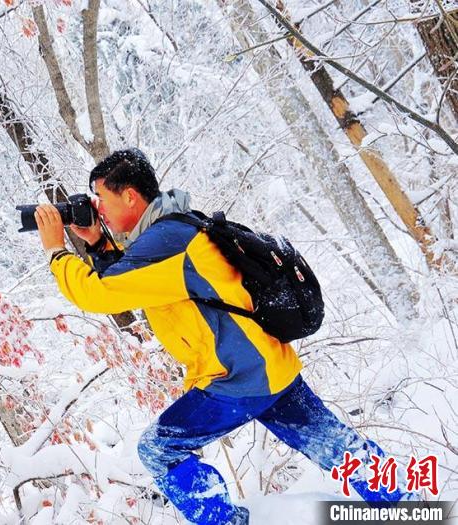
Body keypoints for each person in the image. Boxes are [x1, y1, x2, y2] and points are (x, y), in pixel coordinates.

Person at [34, 148, 415, 524]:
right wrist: (99, 244)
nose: (97, 207)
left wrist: (56, 248)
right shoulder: (174, 228)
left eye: (101, 198)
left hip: (236, 379)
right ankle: (408, 505)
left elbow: (98, 292)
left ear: (130, 195)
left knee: (159, 450)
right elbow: (129, 283)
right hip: (267, 365)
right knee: (336, 448)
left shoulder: (167, 242)